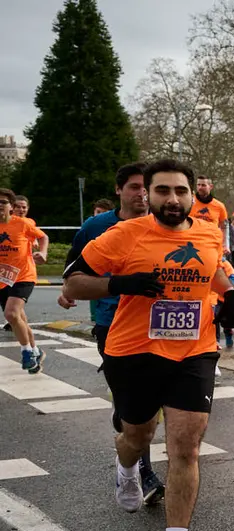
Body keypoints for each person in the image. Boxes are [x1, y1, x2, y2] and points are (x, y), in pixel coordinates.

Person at [62, 158, 234, 531]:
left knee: (186, 446)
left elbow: (214, 270)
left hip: (194, 351)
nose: (173, 199)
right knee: (138, 435)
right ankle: (126, 469)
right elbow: (73, 283)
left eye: (180, 191)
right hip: (135, 351)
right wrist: (121, 284)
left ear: (190, 194)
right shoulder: (125, 234)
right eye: (163, 191)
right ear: (148, 194)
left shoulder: (206, 231)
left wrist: (231, 292)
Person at [60, 162, 164, 502]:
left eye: (146, 187)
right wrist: (70, 290)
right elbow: (72, 271)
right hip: (113, 326)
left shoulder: (164, 225)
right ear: (119, 190)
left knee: (150, 403)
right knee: (136, 407)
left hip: (158, 326)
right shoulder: (97, 226)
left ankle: (142, 465)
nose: (142, 194)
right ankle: (140, 468)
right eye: (134, 187)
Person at [0, 188, 48, 372]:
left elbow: (43, 236)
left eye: (3, 202)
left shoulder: (22, 224)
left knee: (11, 313)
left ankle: (26, 352)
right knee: (18, 317)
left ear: (10, 206)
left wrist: (42, 252)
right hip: (3, 278)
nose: (0, 206)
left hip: (24, 275)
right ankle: (35, 351)